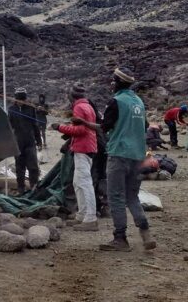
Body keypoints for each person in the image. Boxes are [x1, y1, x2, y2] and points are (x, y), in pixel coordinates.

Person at [75, 68, 156, 251]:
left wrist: (84, 123)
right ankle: (146, 234)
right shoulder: (139, 102)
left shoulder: (116, 102)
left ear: (118, 82)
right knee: (132, 196)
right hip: (137, 156)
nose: (111, 84)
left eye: (113, 81)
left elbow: (104, 127)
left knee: (116, 197)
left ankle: (120, 239)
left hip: (119, 155)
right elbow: (143, 126)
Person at [52, 84, 98, 231]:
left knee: (84, 183)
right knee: (78, 182)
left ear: (72, 96)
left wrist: (59, 127)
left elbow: (80, 130)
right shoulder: (88, 106)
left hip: (82, 148)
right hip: (88, 147)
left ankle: (90, 218)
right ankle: (82, 215)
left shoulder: (78, 107)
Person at [8, 87, 41, 195]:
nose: (22, 101)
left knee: (33, 167)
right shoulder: (11, 109)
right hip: (17, 143)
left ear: (25, 98)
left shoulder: (31, 109)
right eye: (19, 98)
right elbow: (9, 126)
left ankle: (34, 188)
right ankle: (21, 189)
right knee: (19, 167)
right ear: (15, 98)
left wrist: (39, 141)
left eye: (23, 98)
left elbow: (35, 125)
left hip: (30, 142)